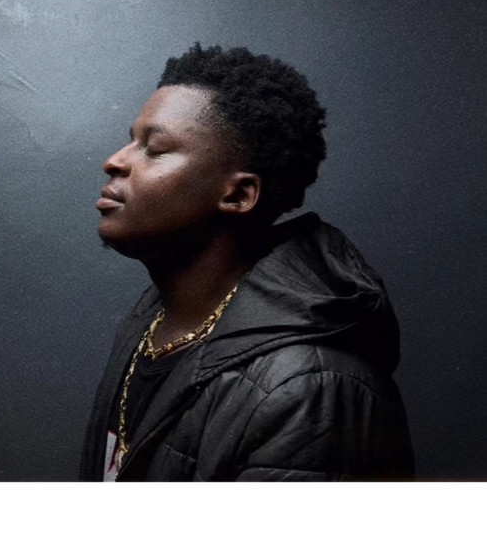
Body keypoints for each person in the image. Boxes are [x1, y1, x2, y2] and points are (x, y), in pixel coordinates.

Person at [80, 43, 414, 482]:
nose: (115, 161)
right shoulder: (152, 326)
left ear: (238, 194)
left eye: (154, 149)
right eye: (131, 141)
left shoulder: (310, 386)